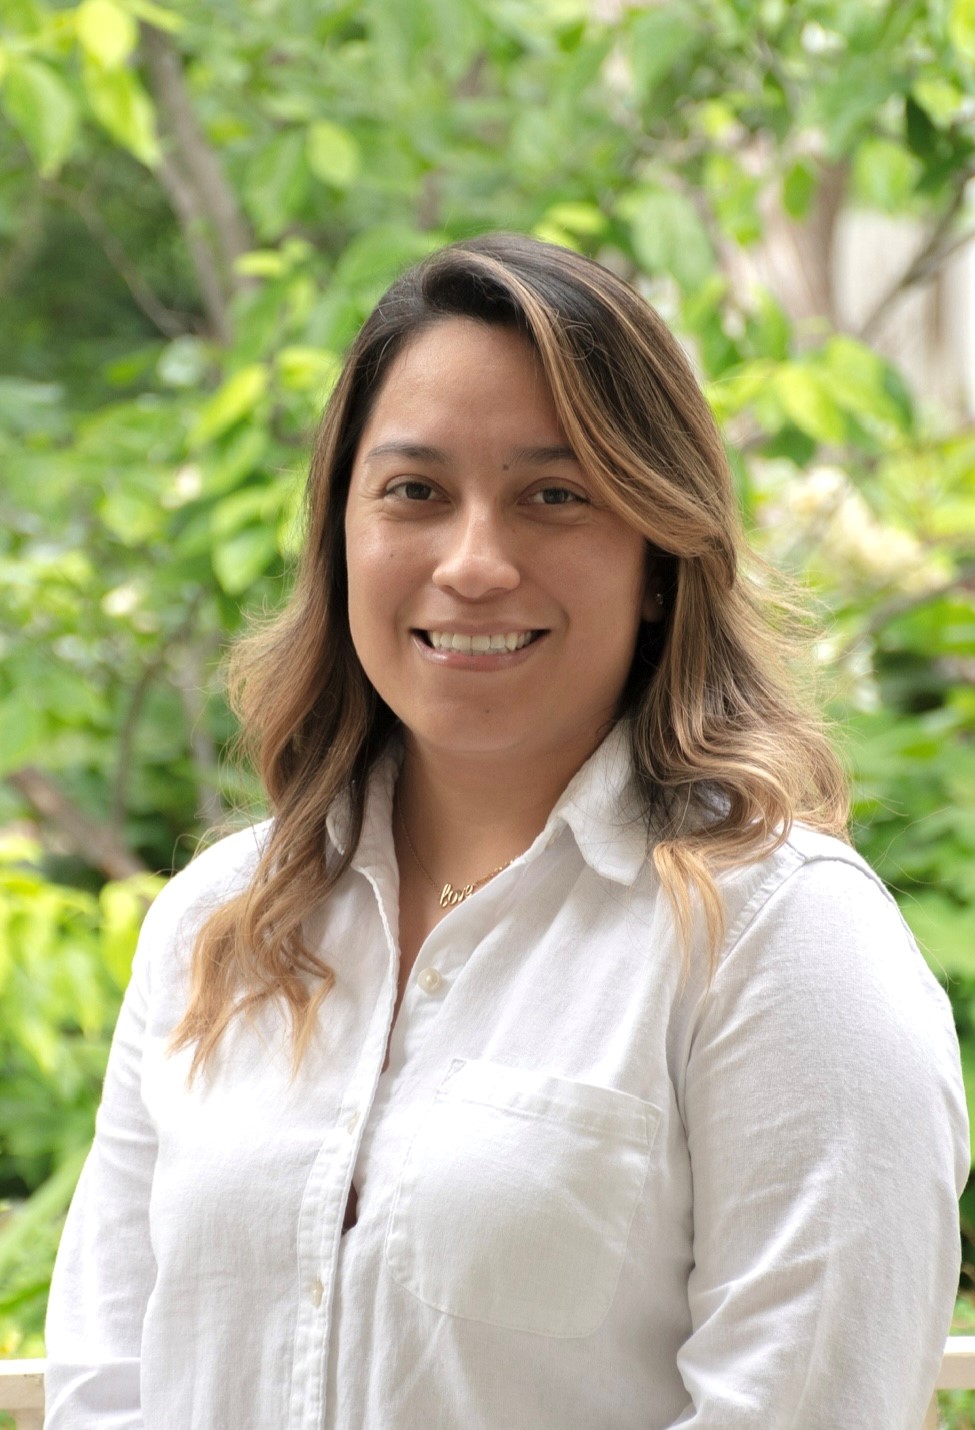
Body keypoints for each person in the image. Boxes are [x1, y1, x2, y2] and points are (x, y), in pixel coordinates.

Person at [44, 233, 967, 1429]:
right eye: (415, 492)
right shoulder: (212, 924)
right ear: (340, 535)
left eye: (555, 494)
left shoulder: (780, 941)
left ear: (657, 555)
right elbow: (108, 1391)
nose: (474, 563)